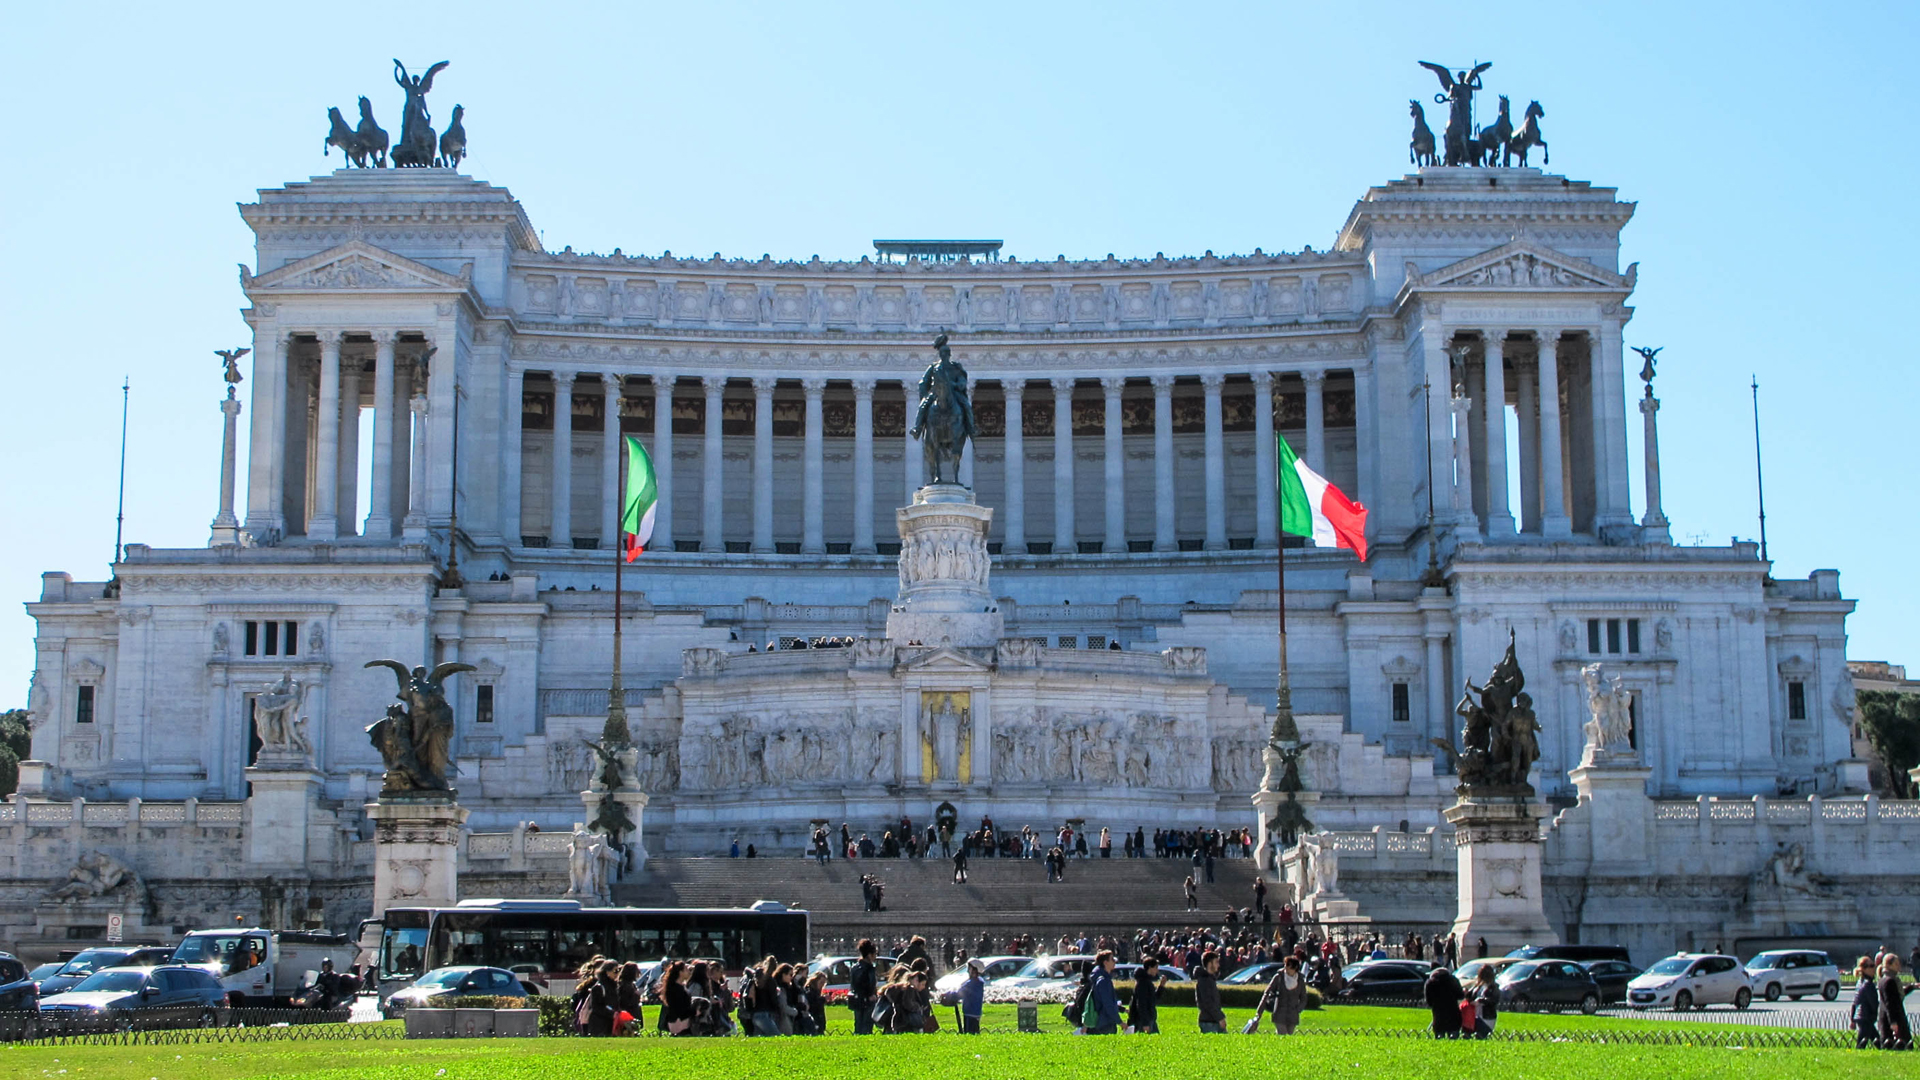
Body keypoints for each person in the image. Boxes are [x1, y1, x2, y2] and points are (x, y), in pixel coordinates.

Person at [1261, 955, 1308, 1034]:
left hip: (1293, 1014)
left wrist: (1298, 1009)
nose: (1285, 967)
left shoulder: (1300, 980)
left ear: (1295, 967)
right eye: (1285, 964)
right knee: (1282, 1034)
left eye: (1288, 965)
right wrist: (1260, 1011)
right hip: (1279, 1013)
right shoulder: (1278, 977)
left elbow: (1303, 998)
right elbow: (1267, 992)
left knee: (1289, 1036)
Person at [1879, 955, 1913, 1050]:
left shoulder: (1885, 979)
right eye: (1896, 964)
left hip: (1890, 1017)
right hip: (1894, 1018)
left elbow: (1896, 996)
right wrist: (1893, 1022)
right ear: (1889, 965)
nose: (1899, 966)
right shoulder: (1889, 981)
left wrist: (1911, 988)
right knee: (1902, 1045)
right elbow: (1890, 1003)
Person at [1424, 963, 1465, 1038]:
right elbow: (1461, 995)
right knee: (1454, 1039)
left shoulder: (1430, 983)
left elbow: (1429, 1002)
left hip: (1438, 1016)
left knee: (1439, 1038)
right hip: (1453, 1015)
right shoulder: (1453, 980)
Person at [1085, 951, 1122, 1034]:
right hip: (1105, 1023)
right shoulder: (1103, 981)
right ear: (1105, 962)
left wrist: (1122, 1009)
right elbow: (1108, 1004)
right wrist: (1120, 1022)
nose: (1114, 961)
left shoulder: (1100, 978)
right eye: (1112, 959)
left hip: (1100, 1022)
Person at [849, 939, 880, 1035]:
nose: (876, 956)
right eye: (875, 954)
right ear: (870, 955)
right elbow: (871, 984)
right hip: (868, 999)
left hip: (857, 999)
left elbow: (853, 984)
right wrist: (872, 994)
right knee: (867, 1024)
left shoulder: (855, 967)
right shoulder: (870, 968)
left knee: (858, 1023)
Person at [1129, 956, 1166, 1033]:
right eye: (1156, 967)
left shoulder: (1147, 982)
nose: (1157, 970)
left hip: (1150, 1019)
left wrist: (1161, 986)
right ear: (1150, 968)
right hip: (1144, 1021)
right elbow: (1141, 1004)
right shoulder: (1143, 983)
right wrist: (1145, 1023)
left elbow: (1154, 999)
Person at [1195, 951, 1227, 1033]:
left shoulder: (1210, 979)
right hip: (1209, 1022)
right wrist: (1220, 1018)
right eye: (1216, 962)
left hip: (1213, 1020)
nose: (1218, 965)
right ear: (1209, 964)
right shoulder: (1205, 980)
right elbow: (1208, 1002)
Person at [1853, 957, 1881, 1049]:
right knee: (1861, 1044)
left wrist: (1852, 1018)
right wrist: (1875, 1014)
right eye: (1871, 966)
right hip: (1866, 1017)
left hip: (1861, 1016)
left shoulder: (1859, 983)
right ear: (1864, 969)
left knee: (1876, 1039)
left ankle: (1884, 1051)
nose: (1874, 968)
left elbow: (1855, 1002)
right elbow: (1873, 1003)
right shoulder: (1868, 984)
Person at [1470, 964, 1499, 1039]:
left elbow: (1493, 1001)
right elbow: (1470, 996)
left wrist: (1480, 1000)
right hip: (1476, 1015)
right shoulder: (1478, 986)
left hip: (1487, 1018)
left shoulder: (1493, 987)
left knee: (1480, 1035)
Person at [959, 959, 986, 1034]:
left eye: (969, 968)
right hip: (975, 1013)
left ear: (974, 970)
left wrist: (947, 996)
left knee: (969, 1032)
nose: (968, 971)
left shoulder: (972, 983)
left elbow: (960, 992)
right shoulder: (979, 982)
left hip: (970, 1013)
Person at [803, 970, 828, 1035]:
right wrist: (823, 999)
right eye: (821, 982)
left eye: (824, 983)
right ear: (815, 980)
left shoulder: (817, 991)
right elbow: (813, 1005)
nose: (822, 985)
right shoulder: (810, 991)